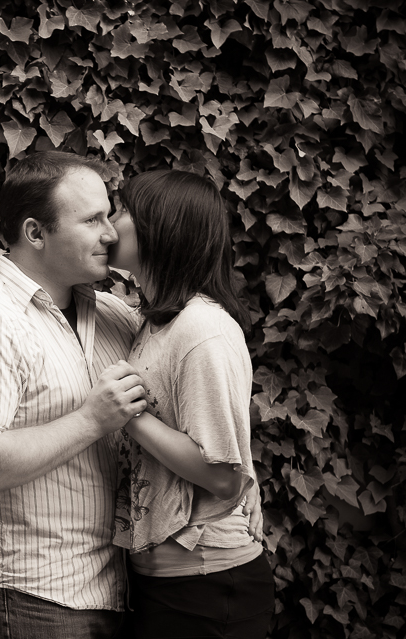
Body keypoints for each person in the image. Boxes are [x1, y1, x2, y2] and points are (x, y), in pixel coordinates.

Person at [0, 150, 149, 638]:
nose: (111, 233)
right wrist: (92, 419)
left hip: (117, 592)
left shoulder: (116, 315)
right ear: (35, 233)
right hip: (29, 596)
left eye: (109, 215)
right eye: (92, 220)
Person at [109, 169, 274, 639]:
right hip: (168, 581)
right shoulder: (156, 322)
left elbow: (223, 475)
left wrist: (128, 415)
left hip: (210, 585)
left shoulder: (202, 330)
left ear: (159, 228)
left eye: (120, 211)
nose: (107, 223)